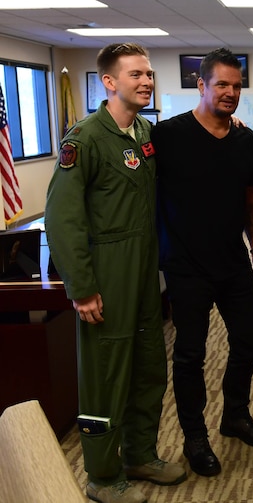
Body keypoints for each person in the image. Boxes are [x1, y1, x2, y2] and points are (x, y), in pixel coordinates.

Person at [45, 43, 186, 503]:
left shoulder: (145, 131)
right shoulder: (84, 138)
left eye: (149, 74)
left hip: (145, 272)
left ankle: (140, 454)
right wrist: (81, 288)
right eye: (135, 75)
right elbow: (62, 219)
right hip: (106, 274)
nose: (146, 81)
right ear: (109, 82)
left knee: (148, 367)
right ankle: (102, 476)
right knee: (103, 380)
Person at [153, 48, 253, 478]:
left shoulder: (244, 138)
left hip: (232, 263)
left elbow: (247, 197)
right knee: (190, 355)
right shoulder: (167, 135)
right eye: (221, 84)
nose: (230, 93)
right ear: (201, 85)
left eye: (236, 86)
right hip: (185, 265)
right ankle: (194, 437)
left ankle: (235, 416)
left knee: (249, 341)